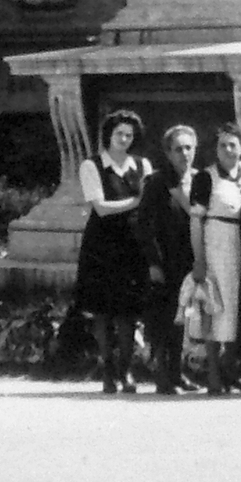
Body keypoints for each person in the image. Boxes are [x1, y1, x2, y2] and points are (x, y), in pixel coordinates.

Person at [75, 109, 152, 394]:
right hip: (103, 243)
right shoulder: (92, 166)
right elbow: (101, 208)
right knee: (103, 311)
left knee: (129, 313)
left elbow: (150, 203)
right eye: (118, 133)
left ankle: (126, 369)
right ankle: (108, 370)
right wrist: (136, 201)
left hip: (133, 244)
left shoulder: (142, 165)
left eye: (129, 135)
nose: (123, 139)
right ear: (108, 135)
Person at [188, 122, 241, 395]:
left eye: (233, 144)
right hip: (218, 246)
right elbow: (196, 222)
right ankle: (214, 374)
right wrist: (199, 259)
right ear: (215, 150)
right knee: (216, 307)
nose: (229, 150)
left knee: (240, 309)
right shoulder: (206, 178)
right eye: (223, 145)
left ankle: (233, 370)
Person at [134, 124, 203, 395]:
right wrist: (153, 262)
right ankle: (163, 375)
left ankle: (178, 373)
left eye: (189, 148)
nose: (184, 154)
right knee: (164, 319)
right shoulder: (157, 182)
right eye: (178, 149)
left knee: (183, 318)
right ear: (168, 152)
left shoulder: (200, 181)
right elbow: (144, 225)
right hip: (165, 260)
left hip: (190, 259)